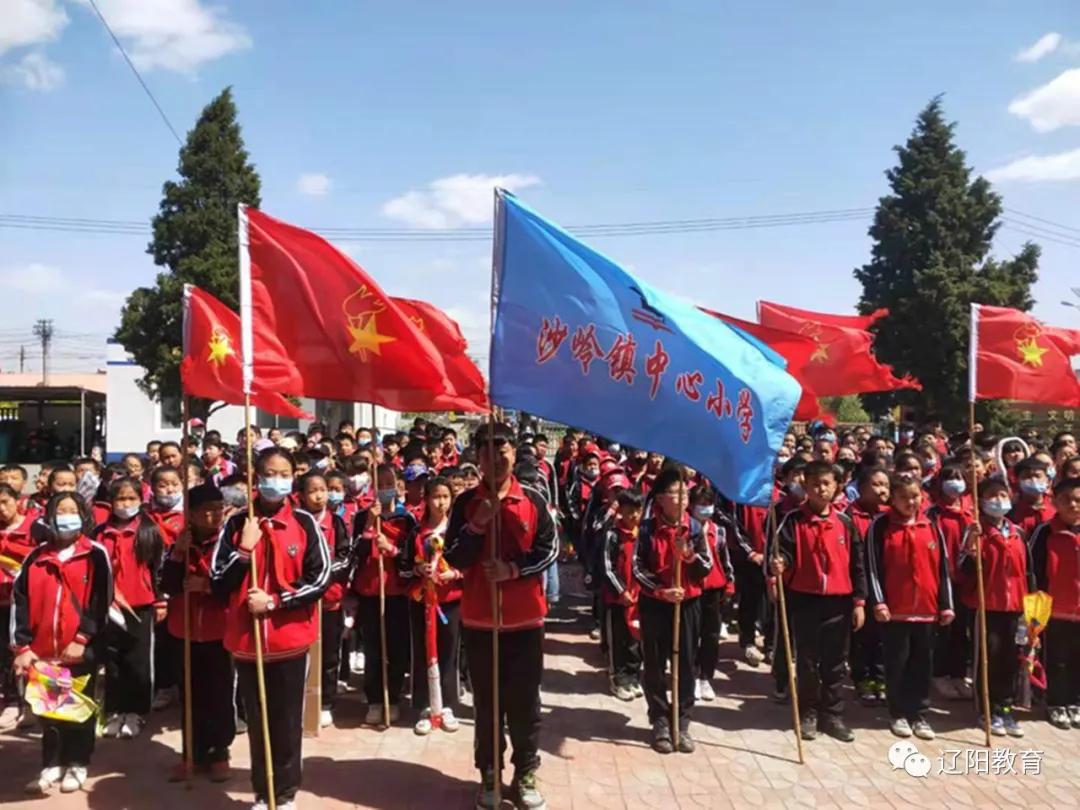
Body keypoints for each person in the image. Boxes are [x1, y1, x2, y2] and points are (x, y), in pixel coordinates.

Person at [210, 447, 331, 810]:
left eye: (284, 474)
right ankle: (263, 792)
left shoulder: (304, 523)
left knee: (287, 721)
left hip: (290, 641)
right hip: (248, 643)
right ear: (256, 478)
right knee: (258, 719)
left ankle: (286, 793)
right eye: (269, 474)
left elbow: (319, 578)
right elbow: (218, 582)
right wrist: (244, 552)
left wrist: (276, 602)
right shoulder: (236, 524)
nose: (276, 481)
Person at [445, 423, 557, 810]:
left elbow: (549, 549)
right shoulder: (465, 503)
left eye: (502, 449)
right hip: (480, 620)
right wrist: (477, 525)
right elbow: (454, 556)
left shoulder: (534, 498)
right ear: (477, 457)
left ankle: (525, 772)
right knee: (488, 705)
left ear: (513, 453)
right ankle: (489, 774)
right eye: (487, 451)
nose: (495, 458)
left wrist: (513, 570)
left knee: (525, 704)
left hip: (526, 621)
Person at [12, 492, 112, 795]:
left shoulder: (95, 554)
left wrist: (83, 638)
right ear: (50, 517)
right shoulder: (35, 557)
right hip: (43, 652)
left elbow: (101, 600)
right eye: (60, 511)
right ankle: (52, 763)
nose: (66, 517)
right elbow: (20, 602)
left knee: (78, 709)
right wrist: (23, 646)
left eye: (72, 511)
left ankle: (78, 762)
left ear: (83, 516)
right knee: (49, 710)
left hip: (79, 650)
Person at [773, 460, 867, 743]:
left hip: (839, 602)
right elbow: (782, 553)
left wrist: (859, 602)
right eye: (815, 484)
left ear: (837, 487)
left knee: (835, 662)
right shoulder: (792, 520)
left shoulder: (845, 523)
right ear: (805, 486)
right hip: (805, 600)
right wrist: (780, 563)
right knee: (808, 661)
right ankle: (808, 713)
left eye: (826, 483)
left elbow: (858, 565)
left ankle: (833, 714)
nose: (821, 489)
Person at [632, 466, 713, 754]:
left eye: (684, 493)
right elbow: (637, 568)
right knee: (655, 664)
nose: (682, 499)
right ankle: (659, 721)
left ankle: (682, 721)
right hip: (655, 604)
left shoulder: (694, 529)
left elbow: (707, 567)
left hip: (687, 605)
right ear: (660, 499)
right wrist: (660, 590)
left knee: (686, 663)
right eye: (675, 493)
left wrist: (689, 556)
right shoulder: (646, 529)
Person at [867, 474, 954, 740]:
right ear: (892, 499)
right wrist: (878, 601)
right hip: (895, 610)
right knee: (897, 663)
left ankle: (919, 714)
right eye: (903, 497)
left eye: (915, 496)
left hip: (927, 610)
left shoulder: (931, 526)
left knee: (922, 664)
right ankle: (897, 712)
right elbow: (872, 567)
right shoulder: (880, 526)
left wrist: (946, 605)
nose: (910, 502)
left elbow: (942, 569)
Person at [161, 484, 235, 782]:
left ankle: (219, 752)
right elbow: (167, 584)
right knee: (190, 695)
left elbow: (233, 583)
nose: (213, 515)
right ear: (190, 514)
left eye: (218, 509)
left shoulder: (228, 542)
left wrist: (208, 586)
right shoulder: (180, 543)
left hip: (219, 630)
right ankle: (192, 753)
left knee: (219, 694)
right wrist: (179, 554)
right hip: (186, 629)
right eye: (206, 510)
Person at [958, 477, 1032, 737]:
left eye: (1003, 494)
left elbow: (1028, 571)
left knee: (1010, 659)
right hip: (985, 605)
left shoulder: (1018, 533)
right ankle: (986, 710)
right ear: (981, 501)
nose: (998, 500)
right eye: (992, 495)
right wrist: (972, 546)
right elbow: (963, 570)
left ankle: (1005, 707)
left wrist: (1029, 605)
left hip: (1014, 606)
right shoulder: (976, 531)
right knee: (988, 656)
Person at [94, 477, 166, 739]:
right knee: (113, 660)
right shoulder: (99, 533)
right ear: (111, 502)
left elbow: (158, 568)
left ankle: (136, 712)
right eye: (120, 499)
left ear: (141, 499)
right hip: (109, 606)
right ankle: (115, 710)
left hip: (141, 605)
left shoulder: (149, 530)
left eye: (131, 498)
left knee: (138, 660)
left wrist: (160, 600)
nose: (125, 504)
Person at [399, 475, 464, 735]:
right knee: (421, 650)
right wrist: (418, 570)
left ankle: (446, 705)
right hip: (421, 600)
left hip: (450, 602)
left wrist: (454, 574)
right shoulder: (417, 533)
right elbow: (403, 567)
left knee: (449, 651)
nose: (441, 502)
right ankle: (425, 706)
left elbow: (470, 565)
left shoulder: (458, 533)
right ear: (426, 499)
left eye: (445, 497)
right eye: (436, 497)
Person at [351, 465, 413, 725]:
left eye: (390, 483)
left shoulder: (406, 519)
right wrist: (368, 526)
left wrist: (393, 550)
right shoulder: (362, 517)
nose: (386, 488)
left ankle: (393, 697)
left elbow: (412, 556)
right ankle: (375, 699)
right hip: (370, 592)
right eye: (381, 484)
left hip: (397, 593)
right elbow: (355, 554)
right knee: (373, 648)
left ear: (397, 486)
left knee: (396, 649)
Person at [295, 471, 351, 728]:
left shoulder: (336, 523)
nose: (319, 496)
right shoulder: (297, 522)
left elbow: (345, 557)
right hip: (304, 601)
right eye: (312, 491)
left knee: (329, 654)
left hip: (330, 600)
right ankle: (302, 698)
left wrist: (323, 575)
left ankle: (326, 701)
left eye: (323, 490)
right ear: (301, 496)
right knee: (302, 653)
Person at [1030, 476, 1080, 729]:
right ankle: (1056, 703)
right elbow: (1034, 573)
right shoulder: (1045, 532)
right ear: (1055, 502)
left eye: (1078, 500)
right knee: (1057, 659)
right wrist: (1035, 616)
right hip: (1054, 611)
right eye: (1066, 500)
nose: (1073, 505)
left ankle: (1075, 702)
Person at [927, 464, 976, 701]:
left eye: (959, 477)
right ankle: (939, 674)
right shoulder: (932, 514)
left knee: (961, 630)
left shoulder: (971, 515)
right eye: (950, 478)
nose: (955, 482)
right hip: (941, 580)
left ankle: (958, 674)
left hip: (965, 581)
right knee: (943, 630)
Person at [847, 466, 890, 706]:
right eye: (876, 484)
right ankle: (862, 678)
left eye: (886, 485)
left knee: (883, 637)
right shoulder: (850, 516)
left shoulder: (889, 516)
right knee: (862, 636)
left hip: (885, 585)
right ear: (861, 488)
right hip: (861, 584)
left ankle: (880, 678)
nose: (882, 490)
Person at [691, 484, 734, 703]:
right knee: (691, 635)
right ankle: (690, 675)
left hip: (714, 589)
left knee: (711, 636)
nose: (705, 509)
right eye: (700, 504)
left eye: (708, 504)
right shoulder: (686, 529)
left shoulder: (719, 531)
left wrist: (729, 583)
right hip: (692, 589)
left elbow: (725, 560)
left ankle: (705, 677)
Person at [601, 488, 644, 701]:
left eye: (637, 511)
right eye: (628, 511)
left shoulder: (643, 534)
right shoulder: (613, 534)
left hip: (639, 597)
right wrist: (621, 590)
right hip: (617, 599)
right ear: (621, 511)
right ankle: (617, 679)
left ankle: (633, 676)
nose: (633, 516)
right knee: (617, 640)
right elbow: (608, 567)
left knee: (635, 640)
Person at [0, 483, 36, 722]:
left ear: (17, 500)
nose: (1, 509)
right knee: (4, 654)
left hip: (26, 603)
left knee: (26, 653)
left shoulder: (34, 528)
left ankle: (31, 704)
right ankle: (11, 701)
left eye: (5, 502)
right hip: (1, 603)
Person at [1009, 457, 1055, 538]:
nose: (1033, 480)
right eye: (1027, 477)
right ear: (1017, 481)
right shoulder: (1011, 510)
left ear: (1048, 481)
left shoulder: (1057, 506)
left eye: (1038, 476)